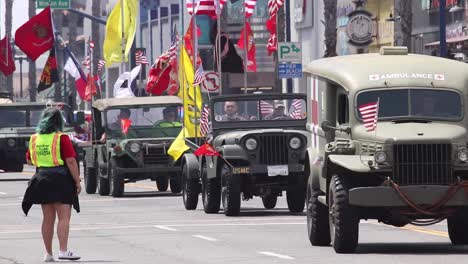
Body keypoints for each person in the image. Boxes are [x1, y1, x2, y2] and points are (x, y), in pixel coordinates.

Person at [22, 107, 81, 262]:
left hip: (41, 178)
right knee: (64, 217)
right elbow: (70, 161)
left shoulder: (34, 138)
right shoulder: (61, 138)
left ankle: (48, 254)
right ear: (59, 121)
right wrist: (77, 181)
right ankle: (63, 251)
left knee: (47, 218)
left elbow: (29, 160)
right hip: (60, 179)